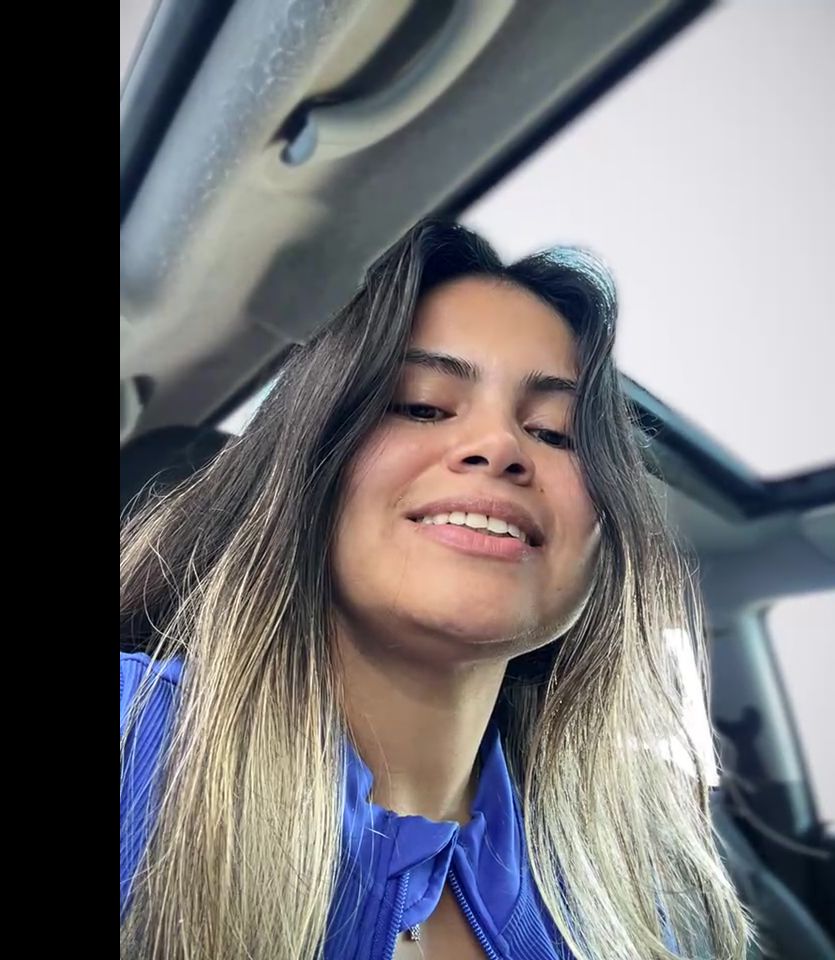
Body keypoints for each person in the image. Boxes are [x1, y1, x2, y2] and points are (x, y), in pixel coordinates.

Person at [120, 219, 749, 959]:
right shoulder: (135, 737)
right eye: (421, 405)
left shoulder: (633, 890)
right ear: (308, 466)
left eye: (555, 432)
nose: (501, 446)